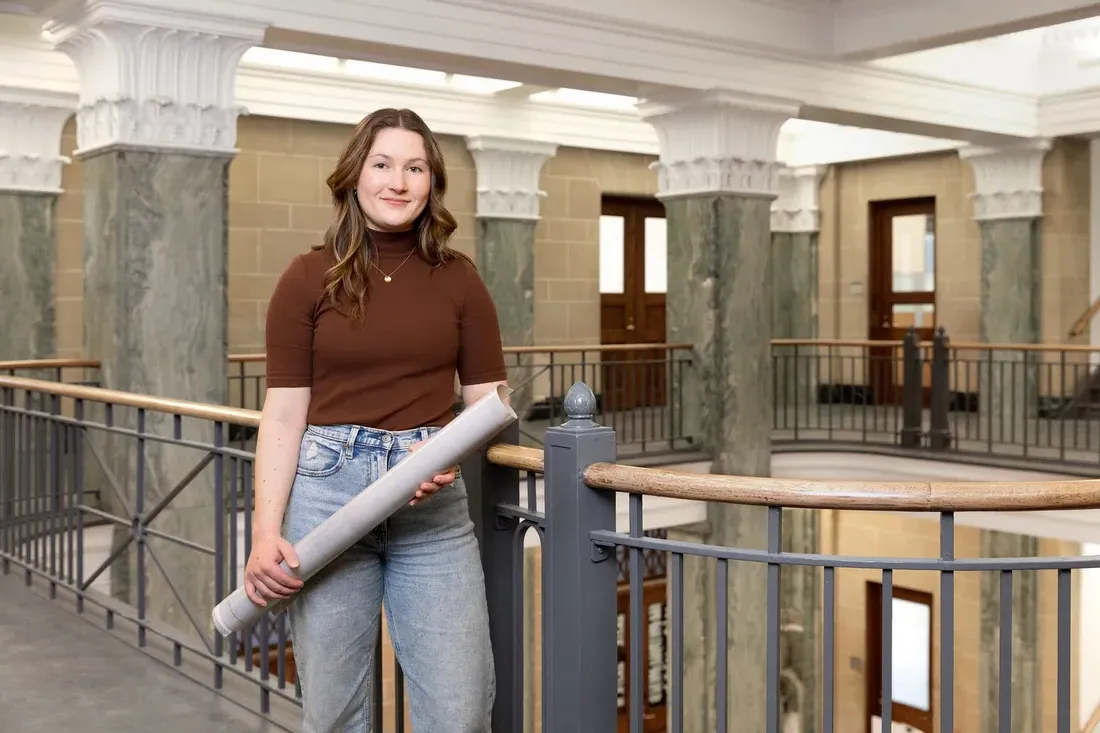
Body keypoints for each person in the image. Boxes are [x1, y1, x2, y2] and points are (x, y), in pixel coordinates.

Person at [242, 107, 509, 732]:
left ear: (431, 183)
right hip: (325, 501)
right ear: (354, 177)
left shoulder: (461, 280)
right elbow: (283, 413)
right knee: (335, 715)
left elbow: (488, 401)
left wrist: (439, 459)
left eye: (414, 167)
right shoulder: (306, 278)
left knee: (460, 710)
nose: (398, 181)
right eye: (382, 164)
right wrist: (264, 534)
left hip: (431, 513)